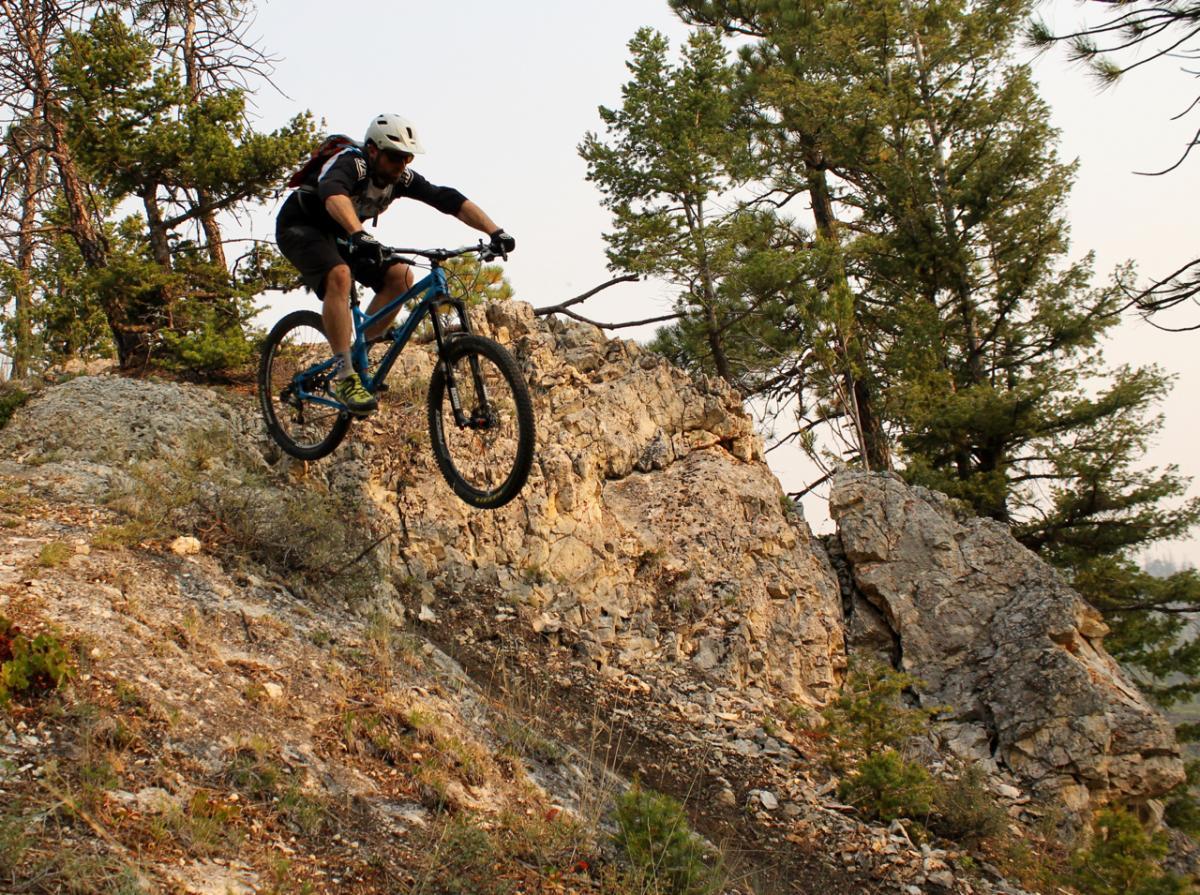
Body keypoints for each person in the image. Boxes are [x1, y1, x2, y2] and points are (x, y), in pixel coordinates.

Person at [275, 112, 515, 415]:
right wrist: (359, 233)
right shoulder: (353, 163)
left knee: (401, 278)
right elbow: (333, 193)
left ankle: (360, 357)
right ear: (373, 150)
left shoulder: (399, 177)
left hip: (343, 234)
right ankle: (345, 374)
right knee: (339, 274)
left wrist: (494, 231)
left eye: (407, 159)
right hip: (301, 227)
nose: (401, 165)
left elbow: (446, 199)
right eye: (394, 157)